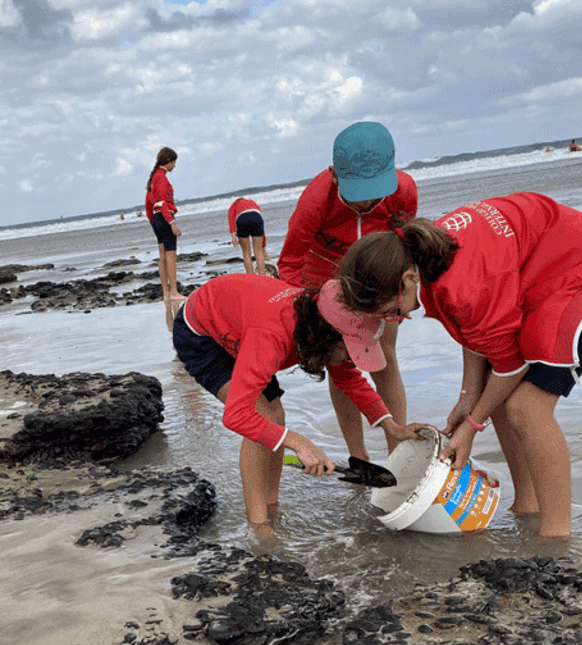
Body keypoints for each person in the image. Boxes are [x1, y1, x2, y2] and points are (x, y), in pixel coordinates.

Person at [336, 192, 582, 538]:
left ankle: (555, 536)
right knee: (497, 398)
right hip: (539, 272)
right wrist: (469, 395)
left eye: (391, 310)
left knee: (526, 407)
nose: (394, 319)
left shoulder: (463, 285)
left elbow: (510, 364)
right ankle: (528, 505)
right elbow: (476, 331)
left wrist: (472, 425)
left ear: (406, 281)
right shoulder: (427, 254)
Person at [172, 273, 418, 530]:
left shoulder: (323, 326)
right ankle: (260, 526)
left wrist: (392, 427)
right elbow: (236, 415)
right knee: (263, 415)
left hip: (242, 325)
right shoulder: (273, 336)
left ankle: (272, 504)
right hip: (201, 333)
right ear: (328, 335)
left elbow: (351, 380)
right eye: (351, 350)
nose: (353, 358)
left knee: (276, 416)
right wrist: (300, 443)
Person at [277, 120, 419, 464]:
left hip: (373, 272)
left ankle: (397, 451)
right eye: (358, 193)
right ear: (334, 174)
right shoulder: (315, 200)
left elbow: (403, 247)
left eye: (375, 190)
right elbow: (289, 263)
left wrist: (398, 300)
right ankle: (359, 456)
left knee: (383, 356)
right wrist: (306, 314)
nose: (368, 202)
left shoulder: (404, 191)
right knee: (340, 359)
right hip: (322, 271)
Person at [145, 147, 183, 305]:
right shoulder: (161, 177)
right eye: (174, 162)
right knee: (170, 257)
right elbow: (161, 203)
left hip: (157, 219)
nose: (174, 166)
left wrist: (154, 222)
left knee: (162, 258)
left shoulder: (153, 178)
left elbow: (149, 204)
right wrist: (171, 222)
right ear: (168, 161)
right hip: (165, 218)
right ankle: (173, 292)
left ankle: (166, 294)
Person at [227, 197, 271, 275]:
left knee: (246, 252)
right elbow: (262, 230)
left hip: (242, 219)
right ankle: (262, 276)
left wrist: (233, 235)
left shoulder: (234, 205)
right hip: (256, 216)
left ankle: (250, 276)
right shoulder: (253, 202)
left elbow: (231, 220)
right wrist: (263, 248)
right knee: (258, 250)